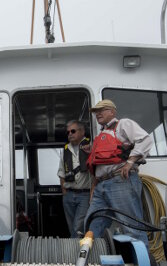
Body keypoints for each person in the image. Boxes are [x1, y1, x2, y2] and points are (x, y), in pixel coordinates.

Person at [84, 99, 152, 247]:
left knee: (131, 226)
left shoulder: (123, 124)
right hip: (101, 185)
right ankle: (93, 263)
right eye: (96, 111)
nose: (98, 114)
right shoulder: (101, 134)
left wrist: (130, 162)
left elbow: (145, 140)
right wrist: (94, 187)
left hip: (120, 181)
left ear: (112, 112)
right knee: (93, 225)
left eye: (102, 110)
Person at [57, 119, 93, 236]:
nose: (70, 134)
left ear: (82, 132)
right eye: (68, 132)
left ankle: (75, 252)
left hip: (85, 194)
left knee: (78, 226)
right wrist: (64, 192)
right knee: (72, 226)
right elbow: (61, 173)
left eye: (73, 131)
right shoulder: (65, 150)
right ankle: (76, 249)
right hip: (69, 195)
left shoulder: (91, 146)